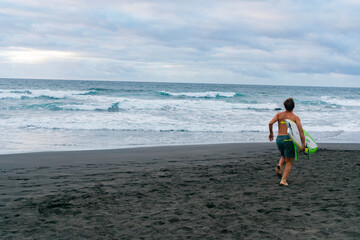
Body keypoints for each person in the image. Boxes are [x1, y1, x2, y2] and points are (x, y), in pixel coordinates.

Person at [268, 98, 305, 186]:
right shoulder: (295, 117)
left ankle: (280, 166)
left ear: (284, 106)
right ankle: (283, 180)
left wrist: (271, 133)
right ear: (293, 107)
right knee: (289, 161)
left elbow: (270, 123)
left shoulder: (279, 114)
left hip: (279, 139)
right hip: (288, 139)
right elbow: (301, 131)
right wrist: (303, 144)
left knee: (284, 156)